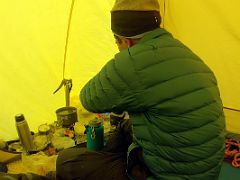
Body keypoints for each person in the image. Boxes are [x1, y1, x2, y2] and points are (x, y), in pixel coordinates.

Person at [57, 0, 226, 179]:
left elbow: (88, 98)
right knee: (125, 127)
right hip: (208, 168)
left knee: (67, 162)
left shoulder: (133, 62)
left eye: (118, 43)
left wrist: (122, 63)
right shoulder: (187, 54)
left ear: (126, 41)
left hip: (174, 174)